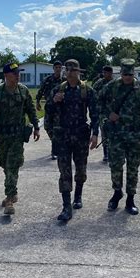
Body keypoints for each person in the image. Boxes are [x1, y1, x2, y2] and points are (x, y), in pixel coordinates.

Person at [99, 59, 140, 215]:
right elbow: (98, 101)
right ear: (120, 73)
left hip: (134, 134)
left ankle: (130, 199)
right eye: (125, 74)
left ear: (134, 73)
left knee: (133, 167)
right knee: (115, 165)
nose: (127, 77)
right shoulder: (112, 86)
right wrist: (109, 114)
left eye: (130, 74)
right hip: (116, 134)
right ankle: (117, 193)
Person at [45, 59, 99, 222]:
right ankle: (66, 206)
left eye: (72, 70)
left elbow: (95, 113)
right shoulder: (58, 89)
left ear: (78, 72)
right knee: (64, 171)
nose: (69, 73)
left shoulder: (86, 90)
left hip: (81, 136)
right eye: (66, 70)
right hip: (63, 137)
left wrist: (95, 134)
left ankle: (78, 195)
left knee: (81, 170)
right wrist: (54, 101)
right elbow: (47, 109)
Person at [0, 62, 40, 215]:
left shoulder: (23, 90)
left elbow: (30, 110)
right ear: (6, 75)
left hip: (17, 136)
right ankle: (12, 192)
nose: (18, 75)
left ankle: (9, 198)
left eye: (18, 73)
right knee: (4, 164)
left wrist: (36, 127)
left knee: (12, 165)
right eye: (14, 73)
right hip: (2, 136)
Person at [36, 60, 63, 160]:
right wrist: (37, 101)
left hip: (60, 109)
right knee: (47, 126)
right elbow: (41, 90)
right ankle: (54, 142)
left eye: (59, 67)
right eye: (56, 67)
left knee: (57, 128)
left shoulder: (64, 80)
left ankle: (55, 150)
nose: (58, 69)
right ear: (53, 69)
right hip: (49, 107)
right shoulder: (47, 80)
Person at [92, 65, 114, 162]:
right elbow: (93, 95)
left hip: (115, 112)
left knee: (115, 133)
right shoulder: (99, 83)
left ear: (111, 73)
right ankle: (106, 154)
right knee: (104, 132)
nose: (106, 74)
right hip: (103, 112)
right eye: (104, 73)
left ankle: (115, 153)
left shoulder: (116, 83)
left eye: (108, 73)